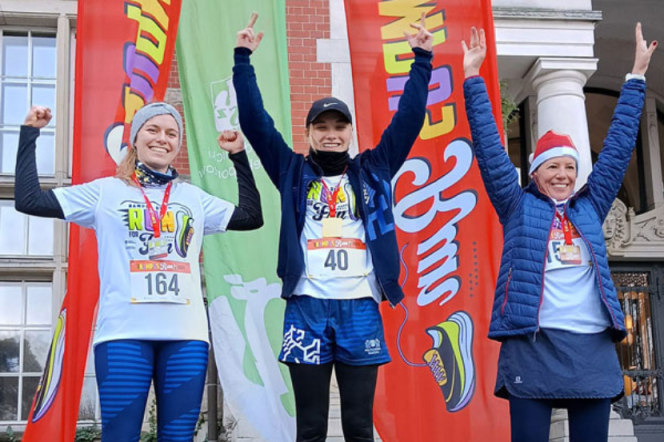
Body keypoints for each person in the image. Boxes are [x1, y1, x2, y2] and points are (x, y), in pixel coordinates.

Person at [232, 12, 433, 442]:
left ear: (350, 133)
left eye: (339, 127)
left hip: (360, 306)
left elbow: (409, 121)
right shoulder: (290, 170)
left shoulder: (374, 169)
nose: (331, 134)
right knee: (310, 426)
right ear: (308, 133)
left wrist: (421, 60)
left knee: (359, 425)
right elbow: (255, 123)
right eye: (321, 127)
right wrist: (243, 59)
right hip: (307, 306)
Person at [15, 102, 263, 441]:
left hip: (186, 335)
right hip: (123, 334)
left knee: (178, 437)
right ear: (135, 138)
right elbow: (28, 200)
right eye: (153, 129)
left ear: (178, 144)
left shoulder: (193, 198)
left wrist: (238, 156)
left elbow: (251, 216)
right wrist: (29, 134)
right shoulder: (105, 192)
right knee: (120, 436)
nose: (162, 138)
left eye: (171, 133)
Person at [462, 23, 657, 442]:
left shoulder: (590, 205)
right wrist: (473, 78)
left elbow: (618, 149)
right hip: (533, 347)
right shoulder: (517, 206)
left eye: (569, 167)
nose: (563, 174)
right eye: (553, 166)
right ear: (535, 172)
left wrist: (636, 77)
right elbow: (490, 151)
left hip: (591, 348)